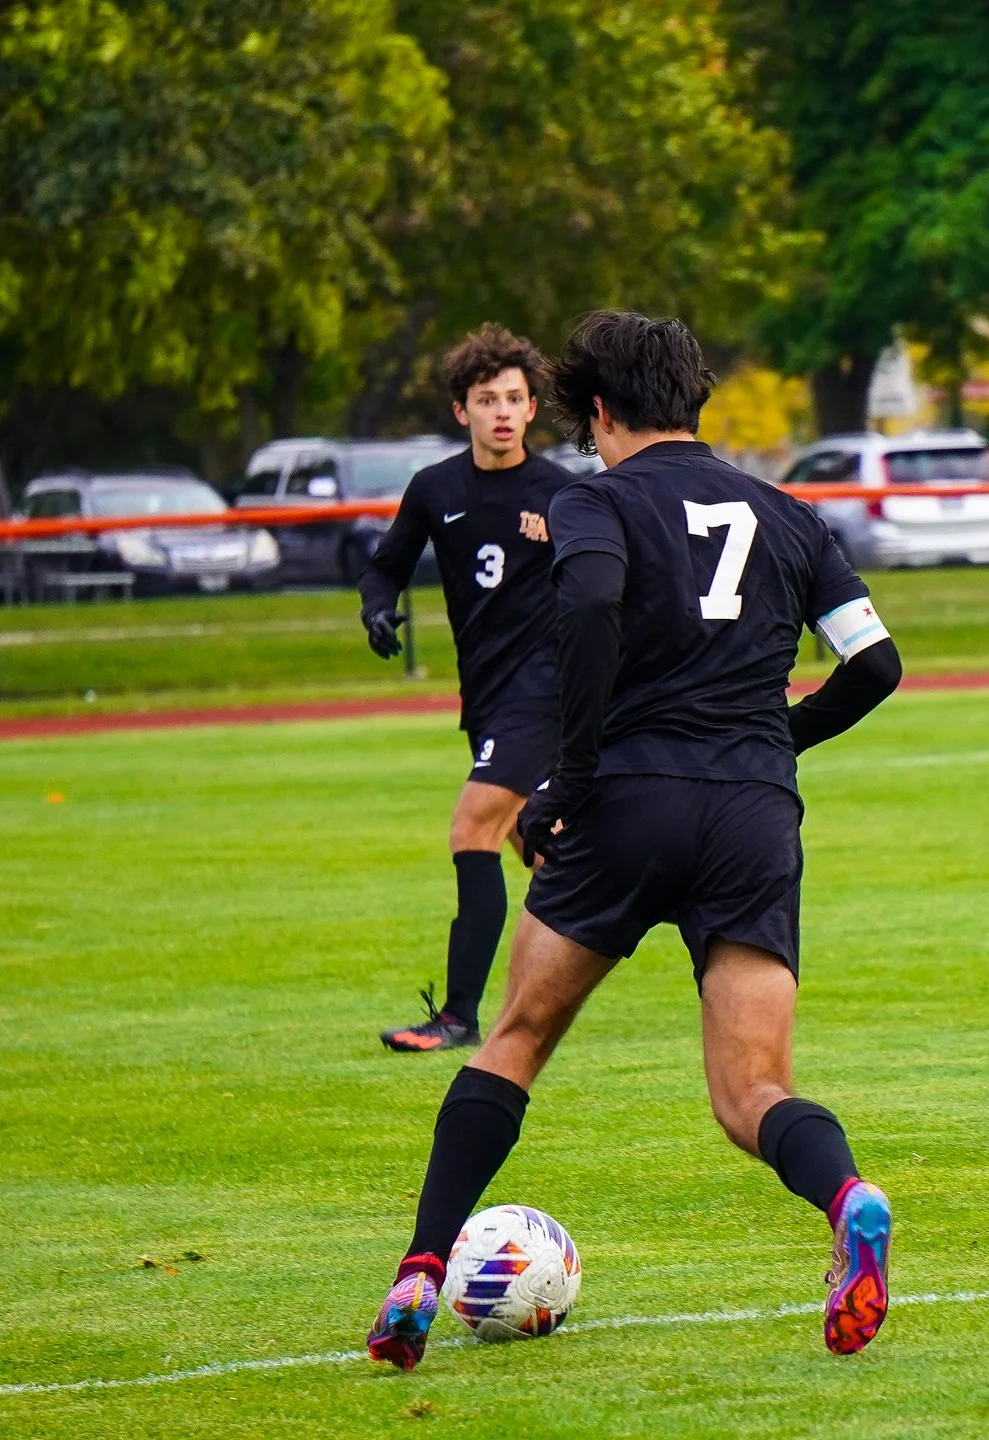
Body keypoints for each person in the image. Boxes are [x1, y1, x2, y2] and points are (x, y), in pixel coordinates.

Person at [366, 310, 904, 1370]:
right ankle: (848, 1194)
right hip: (752, 812)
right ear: (695, 400)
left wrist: (568, 775)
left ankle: (422, 1270)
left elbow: (598, 601)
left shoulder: (592, 498)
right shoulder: (790, 513)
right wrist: (771, 737)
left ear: (598, 411)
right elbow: (877, 666)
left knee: (516, 1037)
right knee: (753, 1092)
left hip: (628, 798)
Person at [357, 324, 580, 1053]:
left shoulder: (560, 494)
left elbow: (611, 579)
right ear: (462, 410)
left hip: (544, 689)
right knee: (545, 850)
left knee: (472, 828)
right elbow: (385, 564)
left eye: (515, 398)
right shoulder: (436, 489)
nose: (504, 412)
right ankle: (683, 921)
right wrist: (376, 608)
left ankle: (458, 1016)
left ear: (532, 406)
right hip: (486, 693)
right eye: (488, 399)